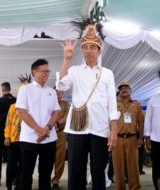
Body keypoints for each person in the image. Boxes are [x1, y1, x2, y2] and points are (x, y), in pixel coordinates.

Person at [56, 14, 119, 190]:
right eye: (85, 47)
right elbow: (60, 86)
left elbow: (112, 104)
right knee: (76, 170)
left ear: (99, 51)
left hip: (100, 129)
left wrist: (113, 130)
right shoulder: (75, 71)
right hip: (77, 128)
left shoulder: (108, 73)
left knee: (98, 170)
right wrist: (67, 59)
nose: (89, 50)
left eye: (93, 47)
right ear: (82, 51)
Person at [16, 59, 60, 190]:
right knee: (26, 173)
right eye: (43, 71)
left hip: (49, 138)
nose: (46, 74)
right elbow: (22, 112)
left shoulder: (51, 91)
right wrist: (38, 130)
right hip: (29, 138)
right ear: (34, 72)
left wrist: (46, 129)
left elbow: (55, 112)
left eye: (48, 71)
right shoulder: (25, 89)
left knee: (46, 174)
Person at [112, 82, 144, 190]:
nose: (124, 90)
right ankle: (119, 188)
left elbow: (141, 122)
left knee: (133, 166)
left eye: (126, 88)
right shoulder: (113, 104)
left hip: (132, 139)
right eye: (121, 88)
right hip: (117, 139)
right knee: (118, 166)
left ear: (130, 90)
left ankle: (134, 187)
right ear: (119, 91)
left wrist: (140, 138)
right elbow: (108, 122)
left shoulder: (136, 105)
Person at [51, 89, 69, 190]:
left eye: (60, 92)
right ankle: (45, 180)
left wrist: (58, 123)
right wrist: (51, 125)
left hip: (61, 134)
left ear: (62, 94)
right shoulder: (47, 101)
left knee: (60, 159)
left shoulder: (65, 104)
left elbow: (67, 116)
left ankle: (55, 181)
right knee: (47, 159)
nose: (58, 93)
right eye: (56, 91)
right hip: (48, 133)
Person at [4, 103, 22, 190]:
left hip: (27, 140)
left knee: (24, 164)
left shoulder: (31, 105)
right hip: (14, 139)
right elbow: (8, 122)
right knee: (11, 164)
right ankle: (8, 185)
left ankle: (19, 184)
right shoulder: (13, 106)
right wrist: (7, 136)